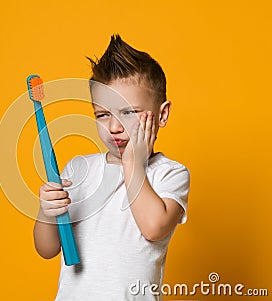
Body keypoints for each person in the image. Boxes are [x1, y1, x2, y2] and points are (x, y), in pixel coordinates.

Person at [33, 34, 191, 300]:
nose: (114, 127)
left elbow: (153, 228)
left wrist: (132, 163)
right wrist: (47, 211)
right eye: (103, 115)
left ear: (162, 114)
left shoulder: (170, 173)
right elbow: (47, 249)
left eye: (128, 112)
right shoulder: (79, 169)